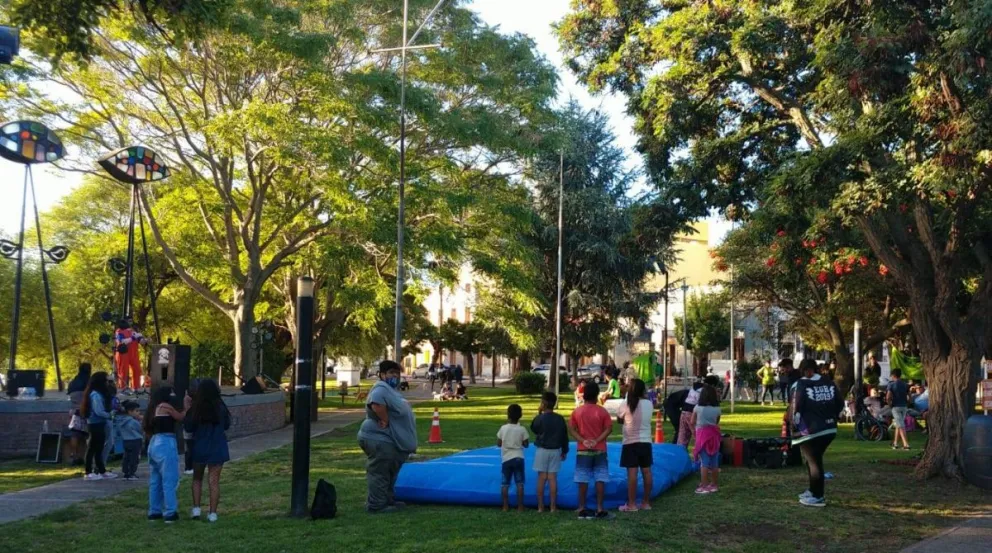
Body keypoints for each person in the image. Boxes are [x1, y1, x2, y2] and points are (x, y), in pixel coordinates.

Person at [357, 360, 418, 514]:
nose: (395, 376)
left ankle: (387, 500)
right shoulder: (380, 389)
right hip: (379, 439)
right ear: (382, 375)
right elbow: (376, 404)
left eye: (397, 373)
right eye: (391, 373)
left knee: (390, 471)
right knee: (380, 471)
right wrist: (384, 419)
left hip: (389, 440)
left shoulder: (391, 390)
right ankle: (377, 505)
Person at [791, 359, 844, 507]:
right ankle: (812, 489)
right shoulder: (829, 382)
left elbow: (796, 403)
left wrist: (794, 422)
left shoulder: (800, 384)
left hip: (810, 429)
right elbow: (840, 402)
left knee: (814, 462)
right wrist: (833, 415)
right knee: (813, 460)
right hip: (829, 428)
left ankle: (818, 495)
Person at [184, 379, 231, 522]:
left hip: (200, 447)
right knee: (214, 481)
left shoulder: (196, 408)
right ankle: (212, 513)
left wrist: (187, 409)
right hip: (217, 446)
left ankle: (196, 509)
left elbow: (188, 427)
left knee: (197, 479)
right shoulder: (221, 407)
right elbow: (226, 425)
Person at [568, 382, 613, 520]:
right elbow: (609, 429)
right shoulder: (602, 411)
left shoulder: (578, 411)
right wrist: (597, 440)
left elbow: (571, 429)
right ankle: (600, 508)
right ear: (596, 395)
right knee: (600, 479)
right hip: (599, 450)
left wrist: (582, 440)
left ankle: (582, 507)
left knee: (583, 479)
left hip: (583, 450)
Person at [145, 386, 187, 523]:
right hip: (166, 442)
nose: (174, 394)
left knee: (155, 480)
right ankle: (170, 512)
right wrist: (186, 405)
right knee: (169, 479)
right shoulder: (165, 406)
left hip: (154, 443)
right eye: (172, 392)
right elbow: (180, 417)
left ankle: (154, 511)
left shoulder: (153, 408)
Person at [615, 379, 654, 512]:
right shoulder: (649, 404)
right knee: (647, 472)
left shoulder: (626, 404)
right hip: (645, 441)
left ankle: (631, 504)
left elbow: (619, 419)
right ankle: (646, 502)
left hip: (630, 442)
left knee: (632, 473)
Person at [531, 392, 569, 513]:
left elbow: (534, 428)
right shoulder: (559, 419)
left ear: (543, 403)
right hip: (555, 450)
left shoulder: (540, 418)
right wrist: (564, 450)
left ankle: (540, 506)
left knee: (542, 478)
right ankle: (553, 506)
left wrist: (539, 413)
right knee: (553, 478)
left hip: (542, 450)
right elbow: (564, 436)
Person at [80, 371, 116, 481]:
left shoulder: (98, 393)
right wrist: (109, 415)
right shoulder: (95, 395)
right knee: (92, 448)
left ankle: (102, 470)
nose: (107, 383)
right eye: (106, 381)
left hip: (99, 423)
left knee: (99, 448)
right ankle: (88, 471)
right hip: (95, 423)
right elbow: (98, 411)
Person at [496, 403, 529, 512]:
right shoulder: (522, 429)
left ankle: (505, 506)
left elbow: (499, 443)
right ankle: (520, 506)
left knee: (505, 484)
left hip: (506, 458)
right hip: (518, 457)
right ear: (520, 415)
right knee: (519, 483)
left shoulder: (503, 428)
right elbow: (526, 444)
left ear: (508, 415)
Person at [691, 385, 722, 494]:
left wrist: (695, 429)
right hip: (714, 435)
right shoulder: (718, 409)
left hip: (702, 435)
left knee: (704, 462)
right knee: (714, 462)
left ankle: (704, 485)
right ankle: (714, 484)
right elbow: (717, 421)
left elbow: (692, 421)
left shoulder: (698, 408)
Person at [66, 363, 92, 466]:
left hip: (74, 411)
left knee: (75, 434)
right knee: (90, 434)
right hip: (85, 410)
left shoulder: (72, 382)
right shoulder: (89, 381)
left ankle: (74, 455)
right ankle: (88, 456)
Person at [114, 318, 145, 392]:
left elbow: (140, 341)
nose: (130, 322)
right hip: (123, 353)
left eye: (131, 321)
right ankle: (122, 388)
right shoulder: (118, 331)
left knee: (137, 370)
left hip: (133, 353)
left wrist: (145, 340)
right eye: (128, 321)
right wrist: (133, 337)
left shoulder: (132, 331)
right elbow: (122, 341)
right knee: (123, 371)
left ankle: (136, 387)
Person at [118, 400, 144, 481]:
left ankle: (126, 471)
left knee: (126, 457)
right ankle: (132, 472)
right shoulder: (133, 422)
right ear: (130, 411)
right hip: (135, 440)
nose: (138, 412)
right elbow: (140, 429)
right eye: (136, 411)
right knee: (134, 457)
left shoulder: (121, 421)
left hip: (126, 440)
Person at [887, 369, 911, 450]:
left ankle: (906, 444)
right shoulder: (905, 385)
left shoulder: (891, 385)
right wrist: (907, 403)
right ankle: (895, 443)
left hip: (896, 406)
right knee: (899, 424)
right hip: (904, 406)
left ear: (893, 376)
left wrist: (890, 404)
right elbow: (909, 396)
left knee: (901, 425)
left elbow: (888, 397)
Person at [677, 380, 704, 447]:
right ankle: (700, 452)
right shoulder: (702, 390)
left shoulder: (693, 388)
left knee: (682, 435)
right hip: (692, 413)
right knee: (698, 435)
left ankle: (680, 453)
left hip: (684, 411)